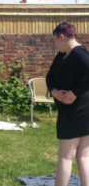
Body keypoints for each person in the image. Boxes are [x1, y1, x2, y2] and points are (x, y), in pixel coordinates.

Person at [46, 22, 89, 186]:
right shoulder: (62, 54)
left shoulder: (79, 54)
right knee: (82, 155)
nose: (55, 44)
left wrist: (74, 93)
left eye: (55, 40)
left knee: (67, 156)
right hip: (70, 110)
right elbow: (49, 77)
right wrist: (54, 91)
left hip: (78, 110)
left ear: (61, 37)